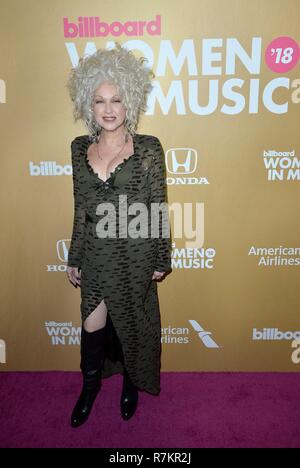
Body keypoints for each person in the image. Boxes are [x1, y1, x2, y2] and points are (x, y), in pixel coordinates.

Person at [66, 42, 172, 428]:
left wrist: (162, 259)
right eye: (99, 101)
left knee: (131, 323)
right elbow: (81, 207)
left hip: (136, 255)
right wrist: (74, 256)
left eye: (116, 99)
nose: (108, 109)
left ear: (130, 102)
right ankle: (90, 387)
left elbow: (158, 205)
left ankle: (130, 383)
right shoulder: (79, 149)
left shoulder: (148, 149)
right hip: (95, 255)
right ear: (88, 105)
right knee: (91, 326)